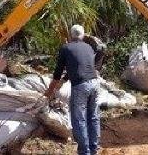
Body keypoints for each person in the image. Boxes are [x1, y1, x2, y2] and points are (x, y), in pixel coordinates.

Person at [44, 25, 104, 155]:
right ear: (82, 35)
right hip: (95, 83)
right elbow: (81, 66)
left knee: (79, 119)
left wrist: (49, 91)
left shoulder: (66, 48)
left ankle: (84, 152)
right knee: (93, 117)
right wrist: (64, 81)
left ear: (70, 36)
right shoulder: (88, 47)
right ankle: (94, 149)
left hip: (80, 86)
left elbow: (57, 73)